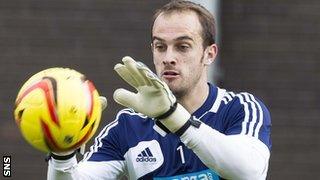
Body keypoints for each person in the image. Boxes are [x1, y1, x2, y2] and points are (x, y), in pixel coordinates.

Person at [47, 0, 271, 179]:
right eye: (160, 47)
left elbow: (248, 172)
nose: (168, 58)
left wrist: (173, 117)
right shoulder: (128, 126)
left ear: (209, 54)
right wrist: (62, 153)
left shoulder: (240, 109)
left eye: (183, 47)